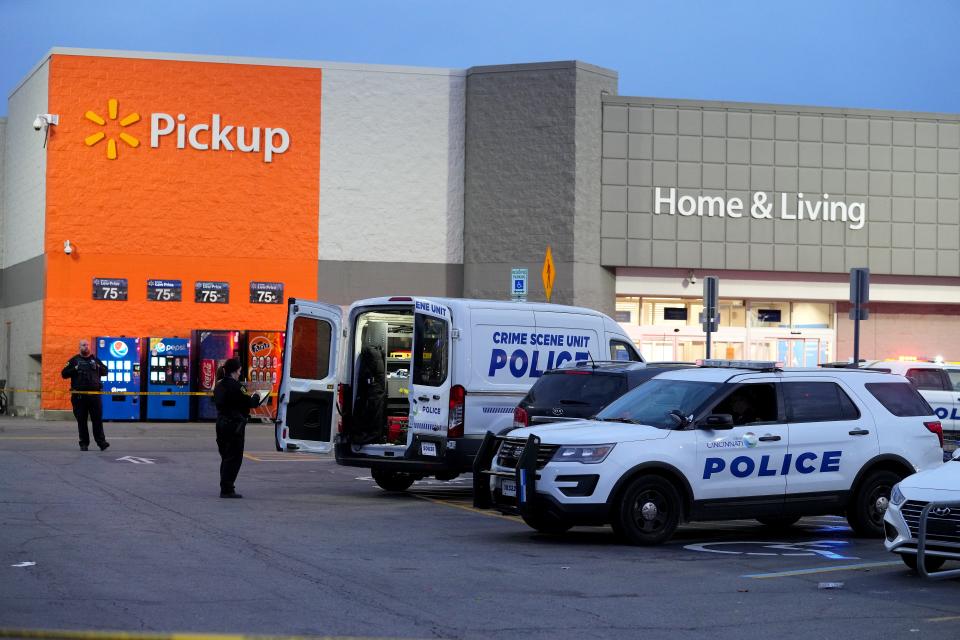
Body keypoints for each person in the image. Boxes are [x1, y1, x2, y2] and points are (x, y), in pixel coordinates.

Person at [213, 358, 263, 498]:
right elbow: (249, 403)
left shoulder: (219, 384)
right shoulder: (236, 386)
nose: (240, 373)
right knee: (234, 457)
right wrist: (258, 396)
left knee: (225, 456)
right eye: (240, 370)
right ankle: (227, 489)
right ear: (236, 370)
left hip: (221, 424)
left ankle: (225, 485)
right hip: (234, 426)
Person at [60, 338, 109, 451]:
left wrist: (97, 367)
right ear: (79, 347)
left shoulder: (95, 360)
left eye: (87, 345)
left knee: (97, 420)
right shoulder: (74, 360)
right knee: (82, 421)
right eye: (83, 345)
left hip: (94, 396)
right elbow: (64, 374)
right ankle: (84, 443)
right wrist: (75, 368)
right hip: (79, 397)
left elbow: (106, 371)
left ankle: (101, 442)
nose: (85, 347)